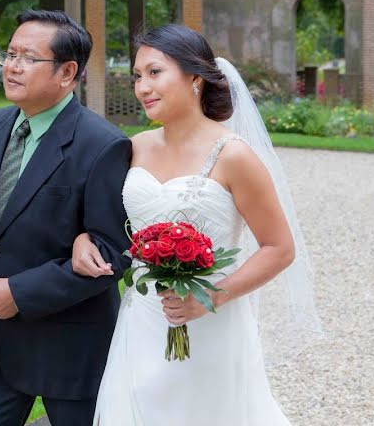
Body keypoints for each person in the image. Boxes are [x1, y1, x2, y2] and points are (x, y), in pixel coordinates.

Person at [72, 24, 322, 425]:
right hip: (142, 322)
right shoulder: (133, 147)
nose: (142, 87)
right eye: (137, 76)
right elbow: (109, 224)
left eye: (155, 72)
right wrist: (83, 239)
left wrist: (211, 298)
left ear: (194, 77)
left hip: (212, 325)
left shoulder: (234, 156)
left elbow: (279, 248)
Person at [0, 9, 133, 426]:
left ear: (66, 72)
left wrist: (19, 292)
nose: (11, 66)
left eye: (27, 58)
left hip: (71, 347)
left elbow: (112, 253)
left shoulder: (103, 144)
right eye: (9, 54)